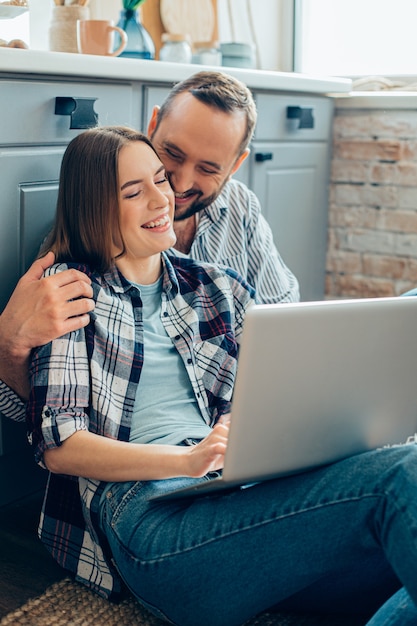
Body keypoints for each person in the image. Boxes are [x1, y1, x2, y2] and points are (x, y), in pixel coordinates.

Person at [25, 126, 417, 626]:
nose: (162, 198)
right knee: (402, 475)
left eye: (160, 181)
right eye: (133, 191)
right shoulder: (69, 292)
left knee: (397, 562)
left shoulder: (216, 286)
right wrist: (187, 460)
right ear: (95, 208)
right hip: (152, 514)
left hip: (240, 495)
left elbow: (280, 386)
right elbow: (60, 446)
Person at [0, 70, 298, 420]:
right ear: (152, 124)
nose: (180, 183)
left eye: (207, 168)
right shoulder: (87, 249)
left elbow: (284, 329)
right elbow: (41, 419)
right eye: (172, 153)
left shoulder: (239, 210)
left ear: (236, 165)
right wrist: (9, 345)